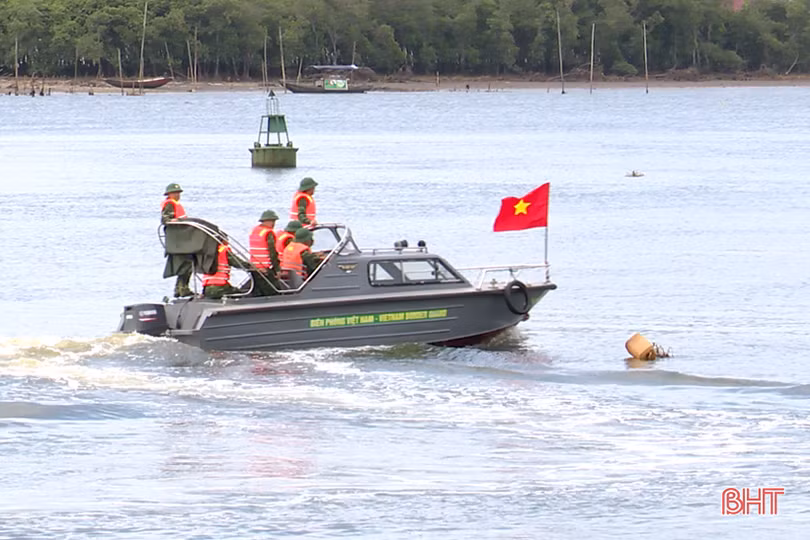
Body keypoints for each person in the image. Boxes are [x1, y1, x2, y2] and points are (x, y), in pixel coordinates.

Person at [161, 183, 192, 297]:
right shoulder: (169, 204)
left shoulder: (175, 204)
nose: (177, 195)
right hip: (177, 239)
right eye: (175, 193)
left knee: (186, 262)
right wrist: (177, 222)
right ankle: (182, 288)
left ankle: (180, 288)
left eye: (178, 193)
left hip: (181, 237)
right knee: (186, 262)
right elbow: (165, 220)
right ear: (169, 194)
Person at [249, 210, 283, 296]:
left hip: (254, 268)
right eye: (273, 221)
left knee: (257, 293)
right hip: (265, 269)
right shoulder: (268, 233)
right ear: (268, 221)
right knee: (274, 292)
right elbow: (272, 253)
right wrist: (277, 270)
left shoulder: (254, 231)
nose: (274, 224)